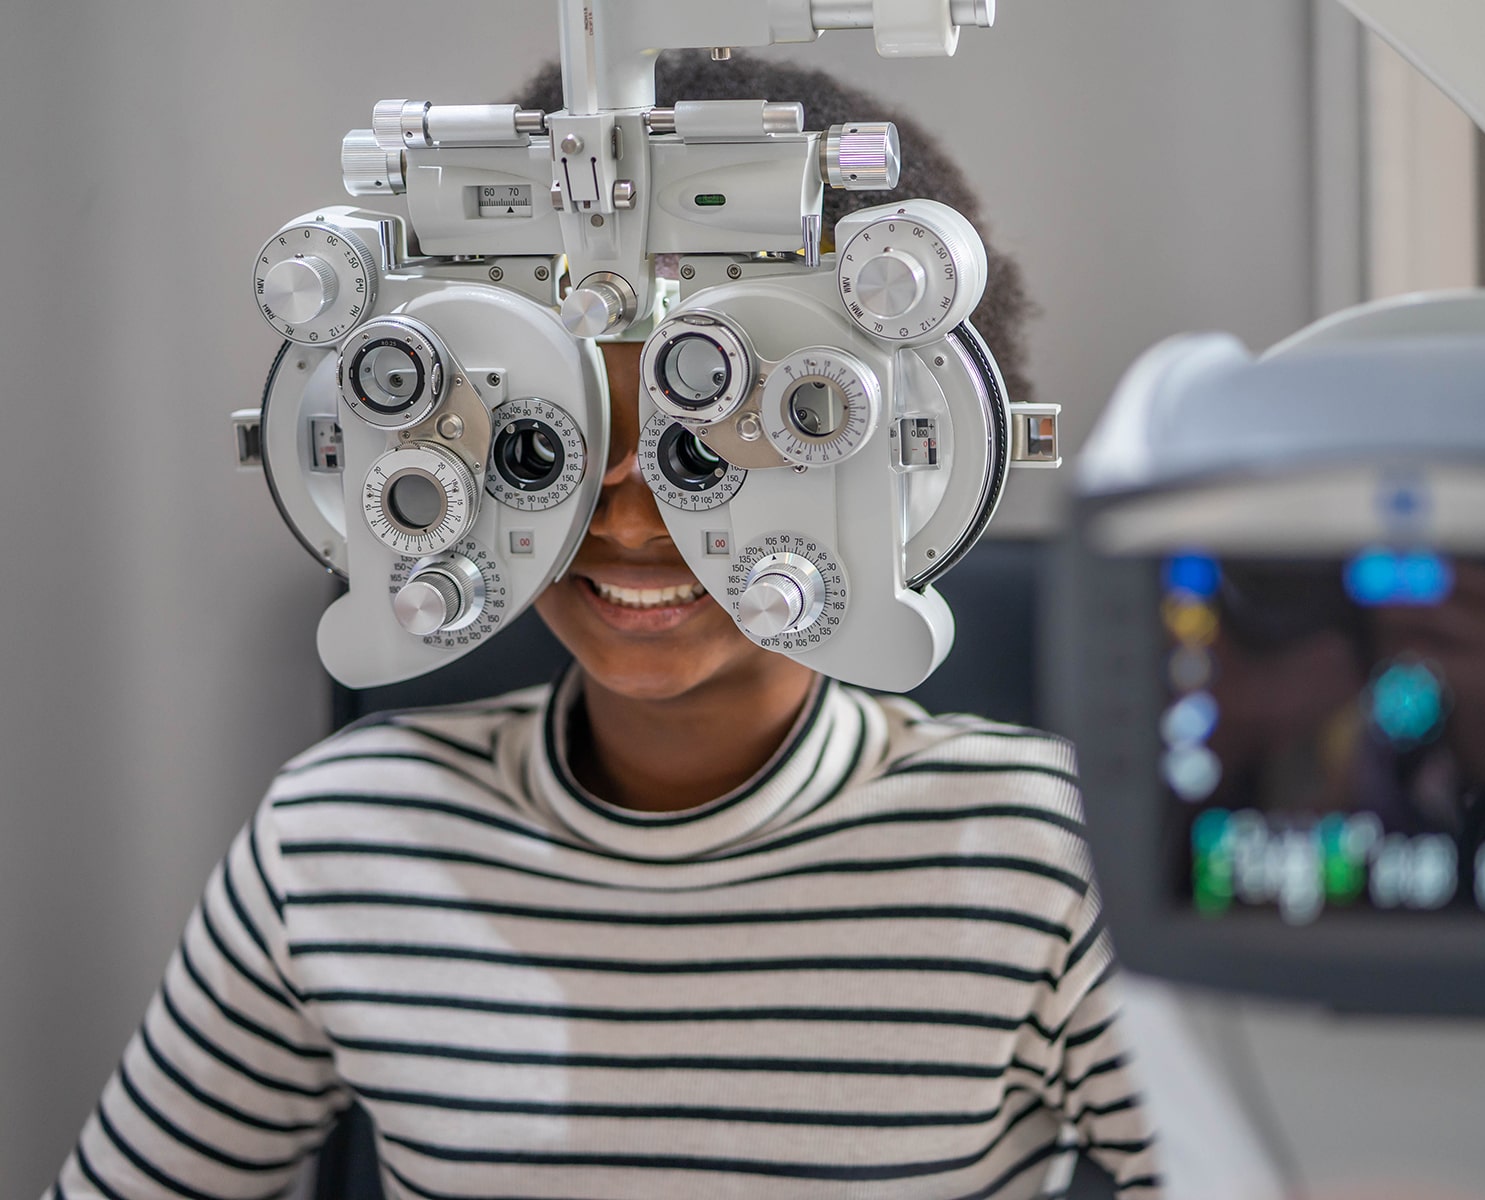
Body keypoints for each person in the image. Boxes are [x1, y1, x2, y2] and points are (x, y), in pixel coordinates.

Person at [47, 52, 1161, 1199]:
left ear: (897, 444)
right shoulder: (335, 837)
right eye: (548, 451)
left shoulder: (1050, 859)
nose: (628, 519)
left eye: (705, 454)